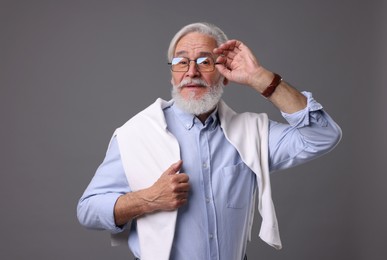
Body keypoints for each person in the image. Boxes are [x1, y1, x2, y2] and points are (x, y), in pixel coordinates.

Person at [77, 22, 342, 260]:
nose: (192, 72)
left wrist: (260, 78)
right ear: (172, 74)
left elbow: (322, 135)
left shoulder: (253, 134)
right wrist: (148, 199)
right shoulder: (135, 134)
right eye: (181, 62)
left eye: (205, 62)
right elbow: (88, 210)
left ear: (225, 74)